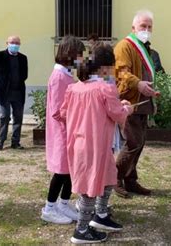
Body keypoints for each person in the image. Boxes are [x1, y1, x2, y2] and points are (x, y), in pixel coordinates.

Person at [60, 44, 133, 244]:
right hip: (94, 144)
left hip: (80, 143)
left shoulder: (74, 88)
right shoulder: (105, 88)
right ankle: (81, 230)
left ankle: (100, 215)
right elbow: (117, 114)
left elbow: (64, 113)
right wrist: (127, 109)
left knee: (109, 175)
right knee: (90, 186)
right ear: (104, 68)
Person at [113, 10, 159, 198]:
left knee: (140, 143)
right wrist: (138, 83)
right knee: (132, 142)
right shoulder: (125, 46)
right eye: (143, 26)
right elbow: (122, 72)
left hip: (143, 101)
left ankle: (130, 180)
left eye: (149, 27)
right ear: (133, 27)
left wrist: (150, 89)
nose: (146, 30)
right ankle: (115, 178)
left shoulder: (144, 46)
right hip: (130, 100)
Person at [40, 36, 85, 224]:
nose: (81, 59)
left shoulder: (65, 75)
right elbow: (59, 111)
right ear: (70, 54)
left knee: (69, 170)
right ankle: (49, 208)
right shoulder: (59, 77)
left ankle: (64, 204)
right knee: (61, 171)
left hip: (69, 129)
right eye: (80, 54)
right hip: (62, 131)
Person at [0, 35, 28, 150]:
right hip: (4, 92)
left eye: (17, 43)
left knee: (18, 117)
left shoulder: (23, 58)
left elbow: (25, 75)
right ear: (7, 43)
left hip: (18, 92)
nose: (15, 45)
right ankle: (1, 140)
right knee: (5, 116)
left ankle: (15, 142)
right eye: (12, 42)